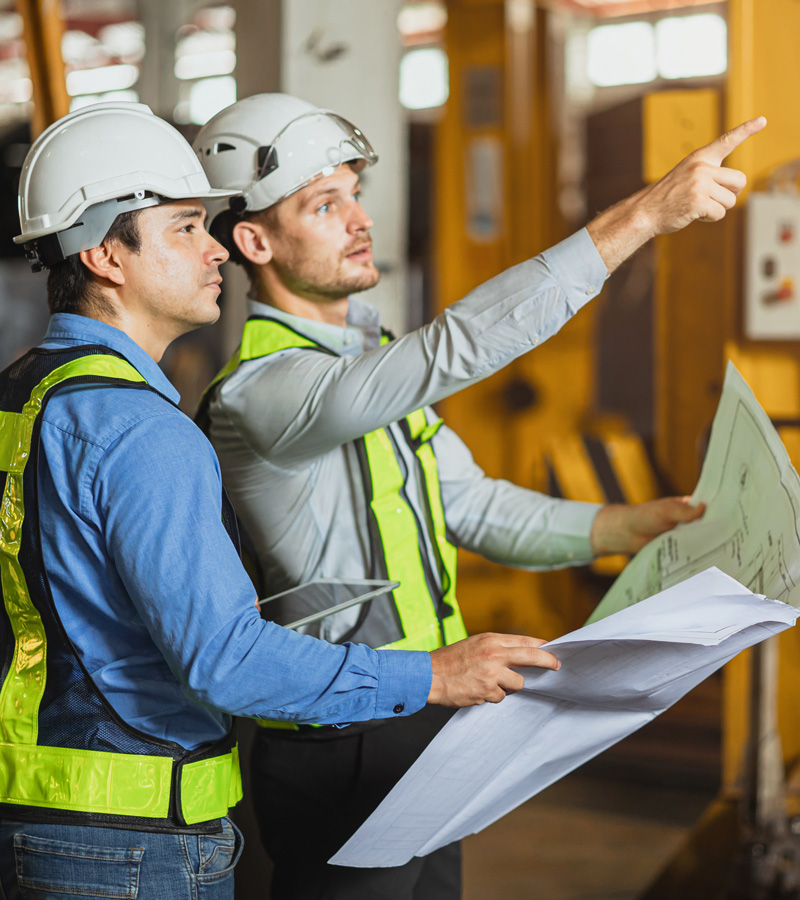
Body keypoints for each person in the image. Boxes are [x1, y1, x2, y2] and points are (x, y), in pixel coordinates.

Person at [194, 92, 764, 900]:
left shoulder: (368, 364)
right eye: (324, 204)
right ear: (253, 239)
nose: (359, 219)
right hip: (344, 736)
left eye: (355, 193)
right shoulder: (264, 392)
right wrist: (641, 218)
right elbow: (457, 346)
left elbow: (474, 506)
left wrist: (630, 525)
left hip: (436, 710)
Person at [0, 102, 563, 900]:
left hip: (35, 812)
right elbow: (223, 659)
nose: (216, 248)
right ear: (103, 256)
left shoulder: (20, 399)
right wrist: (429, 676)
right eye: (186, 228)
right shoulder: (142, 430)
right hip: (131, 838)